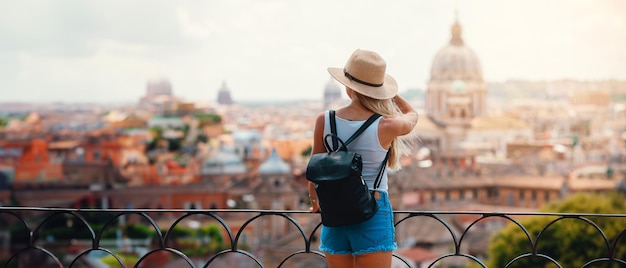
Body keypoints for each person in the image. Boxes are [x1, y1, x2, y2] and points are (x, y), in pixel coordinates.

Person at [308, 49, 419, 268]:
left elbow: (314, 169)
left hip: (335, 212)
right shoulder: (387, 125)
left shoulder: (325, 120)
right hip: (373, 211)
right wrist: (391, 95)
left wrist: (315, 203)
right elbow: (413, 116)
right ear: (378, 90)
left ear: (348, 86)